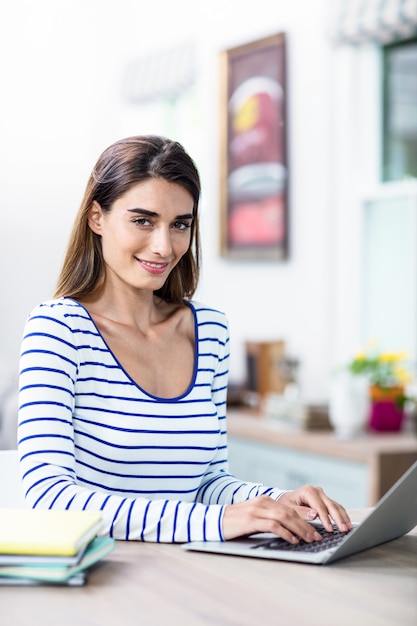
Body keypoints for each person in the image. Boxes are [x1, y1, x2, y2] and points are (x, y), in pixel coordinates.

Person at [17, 135, 352, 544]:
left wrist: (276, 501)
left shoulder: (210, 330)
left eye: (180, 224)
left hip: (191, 573)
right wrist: (214, 523)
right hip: (104, 577)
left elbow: (208, 482)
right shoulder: (58, 330)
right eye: (143, 220)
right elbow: (50, 498)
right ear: (96, 218)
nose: (164, 246)